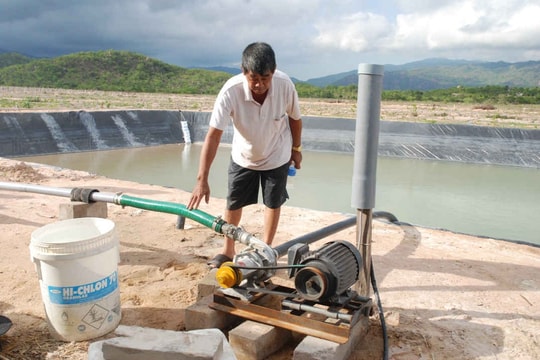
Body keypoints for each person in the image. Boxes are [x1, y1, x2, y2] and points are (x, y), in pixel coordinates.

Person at [187, 42, 303, 268]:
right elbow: (213, 136)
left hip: (277, 154)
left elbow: (295, 119)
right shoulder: (231, 91)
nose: (259, 84)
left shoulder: (285, 85)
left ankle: (266, 252)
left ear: (274, 70)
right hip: (244, 155)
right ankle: (227, 251)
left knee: (273, 202)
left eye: (265, 77)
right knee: (233, 203)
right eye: (253, 78)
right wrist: (202, 179)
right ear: (243, 72)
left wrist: (296, 150)